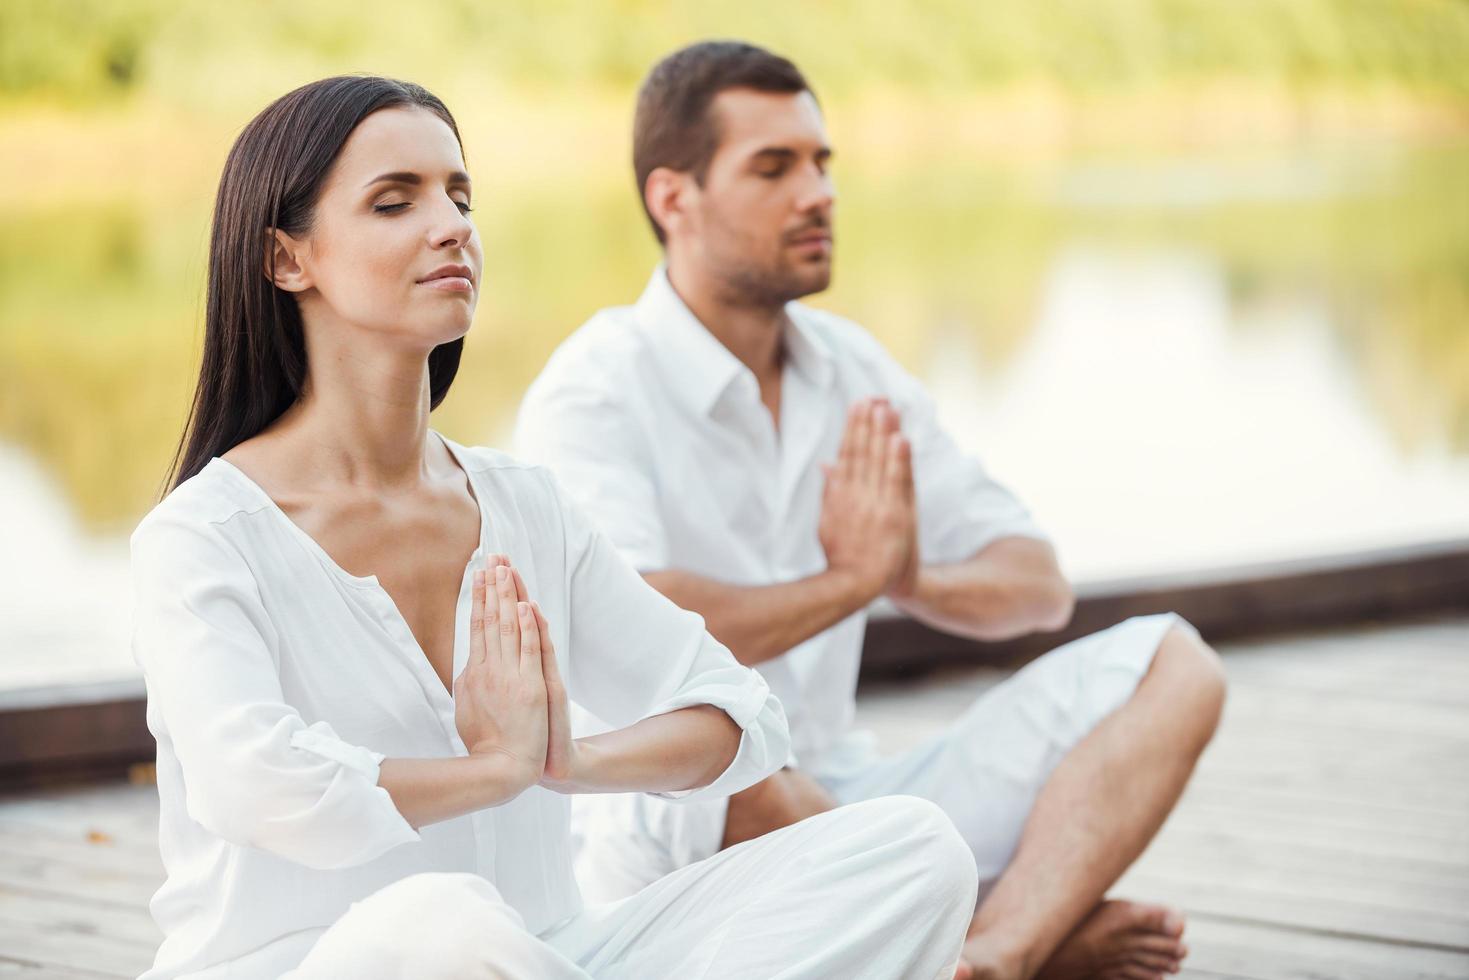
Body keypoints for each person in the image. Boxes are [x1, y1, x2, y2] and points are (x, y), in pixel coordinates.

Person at [131, 74, 980, 980]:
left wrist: (566, 758)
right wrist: (496, 770)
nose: (452, 224)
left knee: (911, 847)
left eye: (460, 196)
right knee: (438, 923)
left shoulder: (522, 504)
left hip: (545, 956)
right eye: (394, 201)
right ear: (285, 259)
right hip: (321, 965)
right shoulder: (202, 537)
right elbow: (255, 786)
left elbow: (740, 716)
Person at [515, 41, 1229, 980]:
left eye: (821, 163)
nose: (817, 193)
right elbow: (632, 616)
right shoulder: (593, 390)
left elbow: (1037, 586)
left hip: (846, 794)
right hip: (664, 820)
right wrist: (847, 581)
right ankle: (988, 933)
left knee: (1173, 663)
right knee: (740, 765)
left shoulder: (852, 372)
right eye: (773, 167)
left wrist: (908, 575)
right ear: (672, 199)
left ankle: (997, 953)